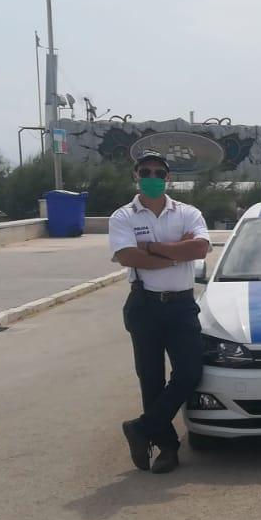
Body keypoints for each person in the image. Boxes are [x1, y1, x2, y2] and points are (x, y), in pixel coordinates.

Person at [107, 150, 211, 474]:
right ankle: (166, 448)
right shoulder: (123, 217)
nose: (151, 177)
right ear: (136, 176)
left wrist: (152, 248)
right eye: (145, 172)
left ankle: (141, 427)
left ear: (168, 178)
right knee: (150, 379)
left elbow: (200, 248)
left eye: (158, 172)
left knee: (190, 372)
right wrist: (176, 253)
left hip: (181, 305)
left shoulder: (188, 213)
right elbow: (127, 257)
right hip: (145, 304)